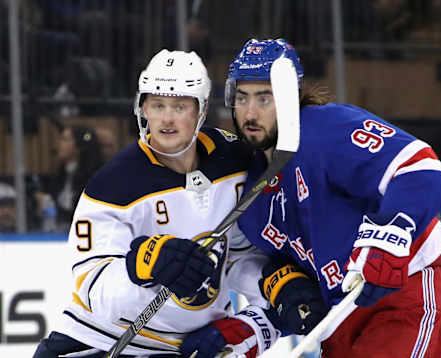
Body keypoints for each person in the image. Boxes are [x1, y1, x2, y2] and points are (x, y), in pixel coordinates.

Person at [33, 49, 280, 358]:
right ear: (143, 109)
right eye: (157, 105)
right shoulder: (115, 184)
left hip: (189, 347)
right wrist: (144, 265)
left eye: (179, 106)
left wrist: (273, 284)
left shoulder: (233, 162)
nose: (166, 118)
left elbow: (237, 256)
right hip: (99, 342)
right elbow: (94, 288)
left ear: (200, 111)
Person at [218, 38, 441, 358]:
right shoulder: (253, 198)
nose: (250, 112)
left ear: (290, 98)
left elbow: (422, 169)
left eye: (264, 98)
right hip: (340, 318)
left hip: (403, 294)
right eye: (242, 98)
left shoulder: (326, 129)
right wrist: (258, 324)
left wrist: (392, 233)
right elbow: (295, 289)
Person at [35, 124, 105, 232]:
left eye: (64, 140)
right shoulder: (60, 175)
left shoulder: (96, 177)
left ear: (79, 146)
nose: (58, 144)